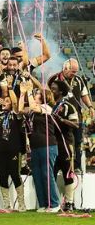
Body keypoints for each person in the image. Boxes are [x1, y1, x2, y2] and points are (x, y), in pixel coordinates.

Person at [0, 77, 26, 211]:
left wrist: (9, 87)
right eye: (4, 100)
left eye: (7, 101)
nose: (5, 102)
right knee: (2, 176)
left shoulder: (16, 115)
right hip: (0, 150)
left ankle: (22, 204)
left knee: (15, 175)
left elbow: (15, 102)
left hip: (13, 149)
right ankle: (6, 205)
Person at [19, 82, 60, 212]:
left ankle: (54, 203)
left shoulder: (47, 107)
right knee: (37, 175)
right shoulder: (32, 112)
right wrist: (22, 93)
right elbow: (20, 109)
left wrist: (29, 91)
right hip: (35, 146)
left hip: (47, 145)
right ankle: (43, 203)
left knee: (47, 174)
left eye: (37, 94)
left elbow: (33, 106)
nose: (34, 95)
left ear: (43, 97)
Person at [50, 80, 79, 211]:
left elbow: (76, 124)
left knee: (68, 173)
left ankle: (69, 202)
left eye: (54, 89)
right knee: (52, 174)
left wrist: (62, 120)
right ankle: (53, 202)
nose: (51, 91)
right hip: (52, 144)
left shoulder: (68, 106)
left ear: (61, 91)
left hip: (65, 144)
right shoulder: (50, 106)